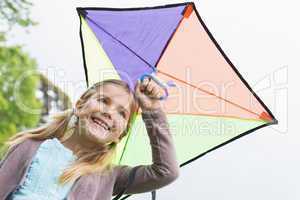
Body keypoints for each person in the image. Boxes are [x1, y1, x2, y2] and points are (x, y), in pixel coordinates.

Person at [0, 78, 180, 200]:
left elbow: (166, 171)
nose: (108, 113)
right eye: (103, 100)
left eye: (121, 113)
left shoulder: (110, 176)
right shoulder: (29, 145)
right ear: (79, 105)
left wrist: (152, 110)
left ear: (120, 135)